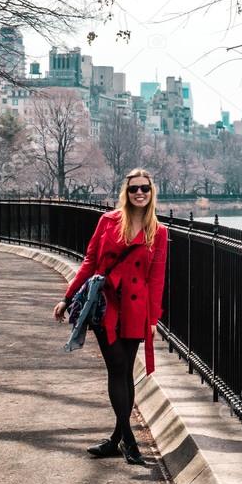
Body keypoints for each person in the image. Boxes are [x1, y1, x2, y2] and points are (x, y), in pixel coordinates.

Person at [52, 169, 168, 465]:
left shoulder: (159, 231)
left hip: (136, 309)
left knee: (125, 370)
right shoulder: (108, 221)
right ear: (126, 193)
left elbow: (156, 279)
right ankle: (129, 440)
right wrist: (68, 297)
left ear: (152, 192)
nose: (139, 193)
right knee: (117, 367)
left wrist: (153, 319)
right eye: (133, 189)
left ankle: (116, 440)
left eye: (144, 188)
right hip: (106, 305)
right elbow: (90, 260)